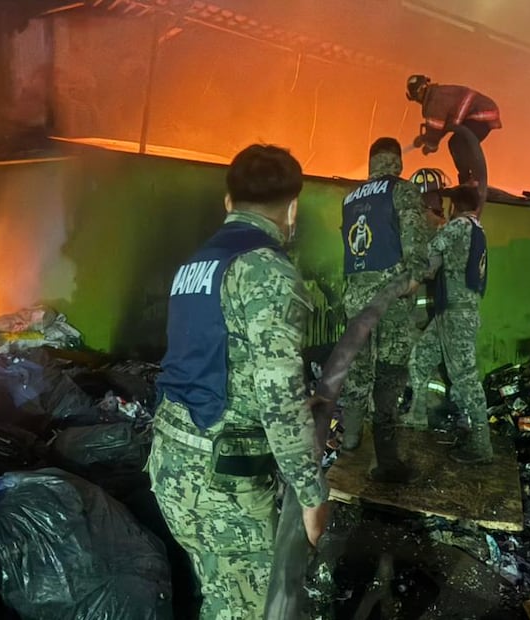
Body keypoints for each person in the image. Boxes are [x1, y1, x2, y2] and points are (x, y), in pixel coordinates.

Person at [147, 144, 330, 619]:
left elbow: (218, 360)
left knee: (220, 593)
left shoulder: (197, 263)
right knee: (247, 608)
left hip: (172, 464)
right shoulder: (268, 270)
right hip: (222, 483)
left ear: (228, 202)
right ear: (293, 209)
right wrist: (312, 494)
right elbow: (277, 394)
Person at [338, 137, 431, 483]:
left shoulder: (349, 198)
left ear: (371, 161)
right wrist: (416, 275)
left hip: (355, 299)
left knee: (357, 371)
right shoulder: (403, 191)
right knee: (389, 376)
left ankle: (349, 442)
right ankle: (387, 461)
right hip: (390, 298)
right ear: (397, 161)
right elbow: (414, 239)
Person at [408, 184, 493, 464]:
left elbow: (430, 252)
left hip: (456, 315)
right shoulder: (478, 229)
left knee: (465, 378)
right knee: (421, 356)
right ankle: (417, 414)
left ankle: (481, 444)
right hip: (452, 313)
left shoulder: (459, 226)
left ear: (455, 206)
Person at [405, 74, 501, 187]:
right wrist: (424, 138)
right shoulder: (437, 95)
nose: (417, 102)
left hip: (481, 115)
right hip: (482, 112)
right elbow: (444, 126)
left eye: (416, 98)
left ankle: (472, 181)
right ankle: (469, 180)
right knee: (459, 144)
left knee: (458, 144)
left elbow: (435, 132)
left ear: (419, 93)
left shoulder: (434, 103)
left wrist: (430, 145)